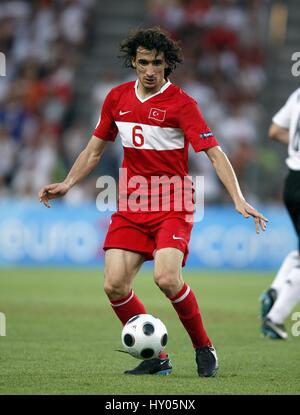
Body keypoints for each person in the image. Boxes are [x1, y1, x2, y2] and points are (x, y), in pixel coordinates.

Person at [39, 27, 268, 377]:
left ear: (167, 65)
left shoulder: (182, 104)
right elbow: (94, 149)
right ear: (133, 62)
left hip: (173, 202)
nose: (149, 70)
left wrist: (238, 197)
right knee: (114, 285)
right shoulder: (116, 98)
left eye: (157, 63)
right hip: (131, 205)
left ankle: (203, 347)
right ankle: (157, 358)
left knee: (166, 278)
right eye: (143, 62)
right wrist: (68, 182)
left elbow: (215, 154)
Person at [261, 87, 300, 340]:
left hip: (292, 182)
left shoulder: (296, 94)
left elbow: (274, 131)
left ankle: (276, 290)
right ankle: (274, 318)